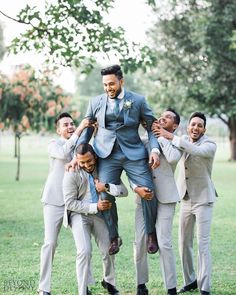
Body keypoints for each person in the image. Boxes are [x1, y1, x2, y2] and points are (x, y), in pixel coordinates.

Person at [77, 64, 160, 255]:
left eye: (112, 84)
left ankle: (151, 233)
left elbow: (150, 126)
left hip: (133, 154)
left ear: (121, 81)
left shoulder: (138, 100)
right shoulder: (95, 102)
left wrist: (154, 150)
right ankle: (114, 236)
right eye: (105, 85)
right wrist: (78, 154)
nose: (108, 88)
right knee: (104, 194)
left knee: (148, 191)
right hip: (106, 155)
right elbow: (88, 128)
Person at [154, 112, 217, 295]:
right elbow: (174, 154)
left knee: (202, 245)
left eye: (199, 125)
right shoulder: (181, 139)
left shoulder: (209, 145)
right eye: (193, 125)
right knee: (183, 242)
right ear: (188, 127)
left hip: (204, 200)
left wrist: (170, 136)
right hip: (185, 199)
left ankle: (205, 288)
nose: (195, 128)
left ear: (204, 129)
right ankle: (190, 280)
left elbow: (195, 150)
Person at [63, 143, 128, 295]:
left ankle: (109, 282)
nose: (86, 165)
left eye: (89, 161)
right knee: (84, 251)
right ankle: (82, 291)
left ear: (96, 156)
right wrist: (95, 207)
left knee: (109, 249)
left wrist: (106, 186)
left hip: (101, 216)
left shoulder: (106, 169)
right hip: (79, 214)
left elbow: (124, 191)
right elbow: (69, 203)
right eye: (82, 162)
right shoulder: (72, 172)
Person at [38, 113, 92, 295]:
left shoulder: (80, 146)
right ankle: (43, 288)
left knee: (84, 246)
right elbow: (62, 153)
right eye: (66, 124)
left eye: (72, 123)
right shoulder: (54, 144)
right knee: (50, 243)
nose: (70, 126)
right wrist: (80, 128)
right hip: (54, 201)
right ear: (58, 129)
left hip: (75, 204)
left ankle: (84, 287)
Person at [134, 108, 182, 295]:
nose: (163, 117)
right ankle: (141, 284)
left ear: (175, 125)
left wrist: (161, 136)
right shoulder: (145, 142)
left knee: (164, 242)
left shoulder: (176, 143)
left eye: (168, 117)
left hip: (166, 198)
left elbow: (171, 158)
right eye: (162, 115)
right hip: (143, 198)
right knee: (139, 242)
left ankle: (171, 288)